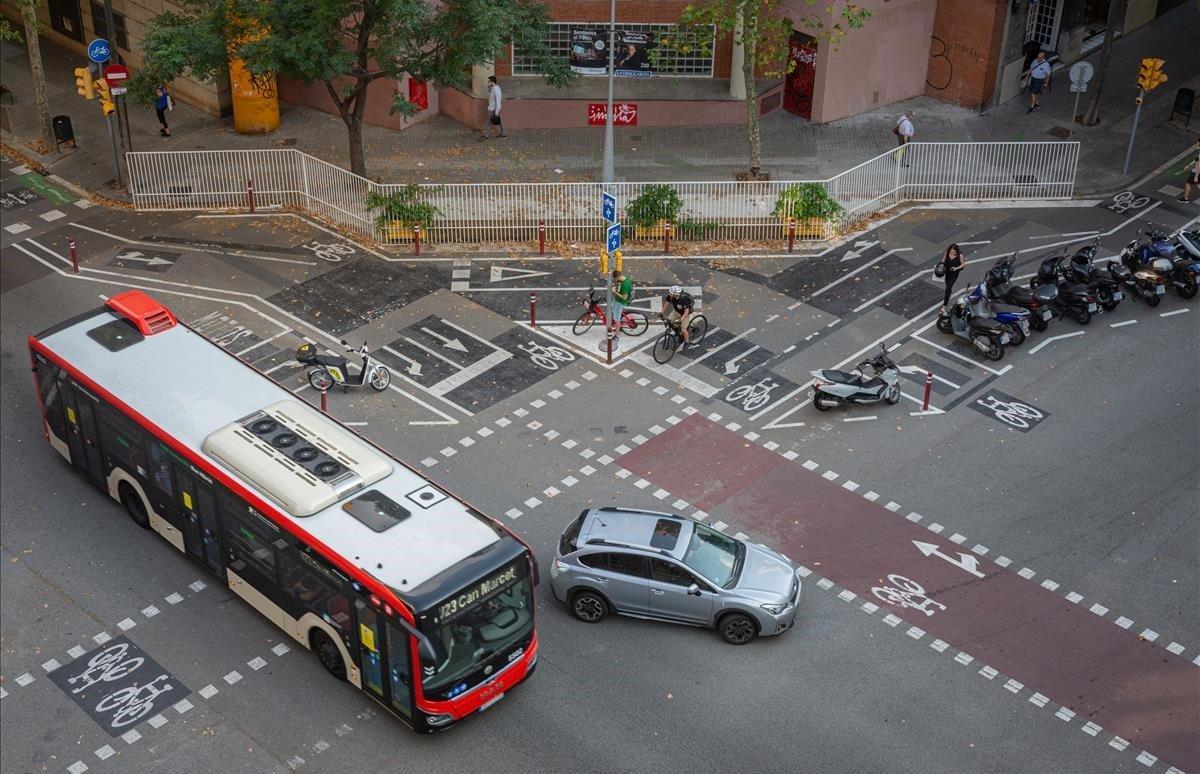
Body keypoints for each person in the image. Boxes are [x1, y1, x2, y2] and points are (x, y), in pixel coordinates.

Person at [941, 243, 967, 310]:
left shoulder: (959, 256)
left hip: (954, 274)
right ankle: (949, 291)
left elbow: (963, 264)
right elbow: (943, 260)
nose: (952, 252)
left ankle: (944, 305)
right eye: (951, 251)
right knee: (947, 284)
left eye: (953, 251)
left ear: (956, 251)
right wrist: (941, 265)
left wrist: (956, 268)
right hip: (947, 272)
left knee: (948, 288)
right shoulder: (947, 253)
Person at [480, 76, 506, 140]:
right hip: (492, 108)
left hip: (493, 109)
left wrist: (496, 111)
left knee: (488, 123)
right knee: (500, 121)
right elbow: (491, 95)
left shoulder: (496, 90)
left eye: (488, 81)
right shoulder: (493, 89)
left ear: (492, 82)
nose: (488, 83)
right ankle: (504, 134)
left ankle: (486, 136)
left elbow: (498, 100)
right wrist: (489, 87)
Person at [611, 269, 632, 334]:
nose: (615, 280)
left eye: (615, 279)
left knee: (617, 318)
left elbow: (624, 297)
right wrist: (616, 287)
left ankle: (617, 333)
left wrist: (614, 292)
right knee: (614, 314)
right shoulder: (625, 279)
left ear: (617, 277)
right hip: (617, 300)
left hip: (620, 302)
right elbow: (620, 286)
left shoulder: (624, 285)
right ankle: (617, 327)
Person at [1179, 138, 1200, 203]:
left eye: (1198, 142)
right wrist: (1188, 165)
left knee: (1188, 183)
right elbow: (1196, 160)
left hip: (1196, 171)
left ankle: (1185, 199)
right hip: (1197, 171)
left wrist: (1196, 175)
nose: (1196, 143)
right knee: (1198, 184)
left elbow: (1199, 165)